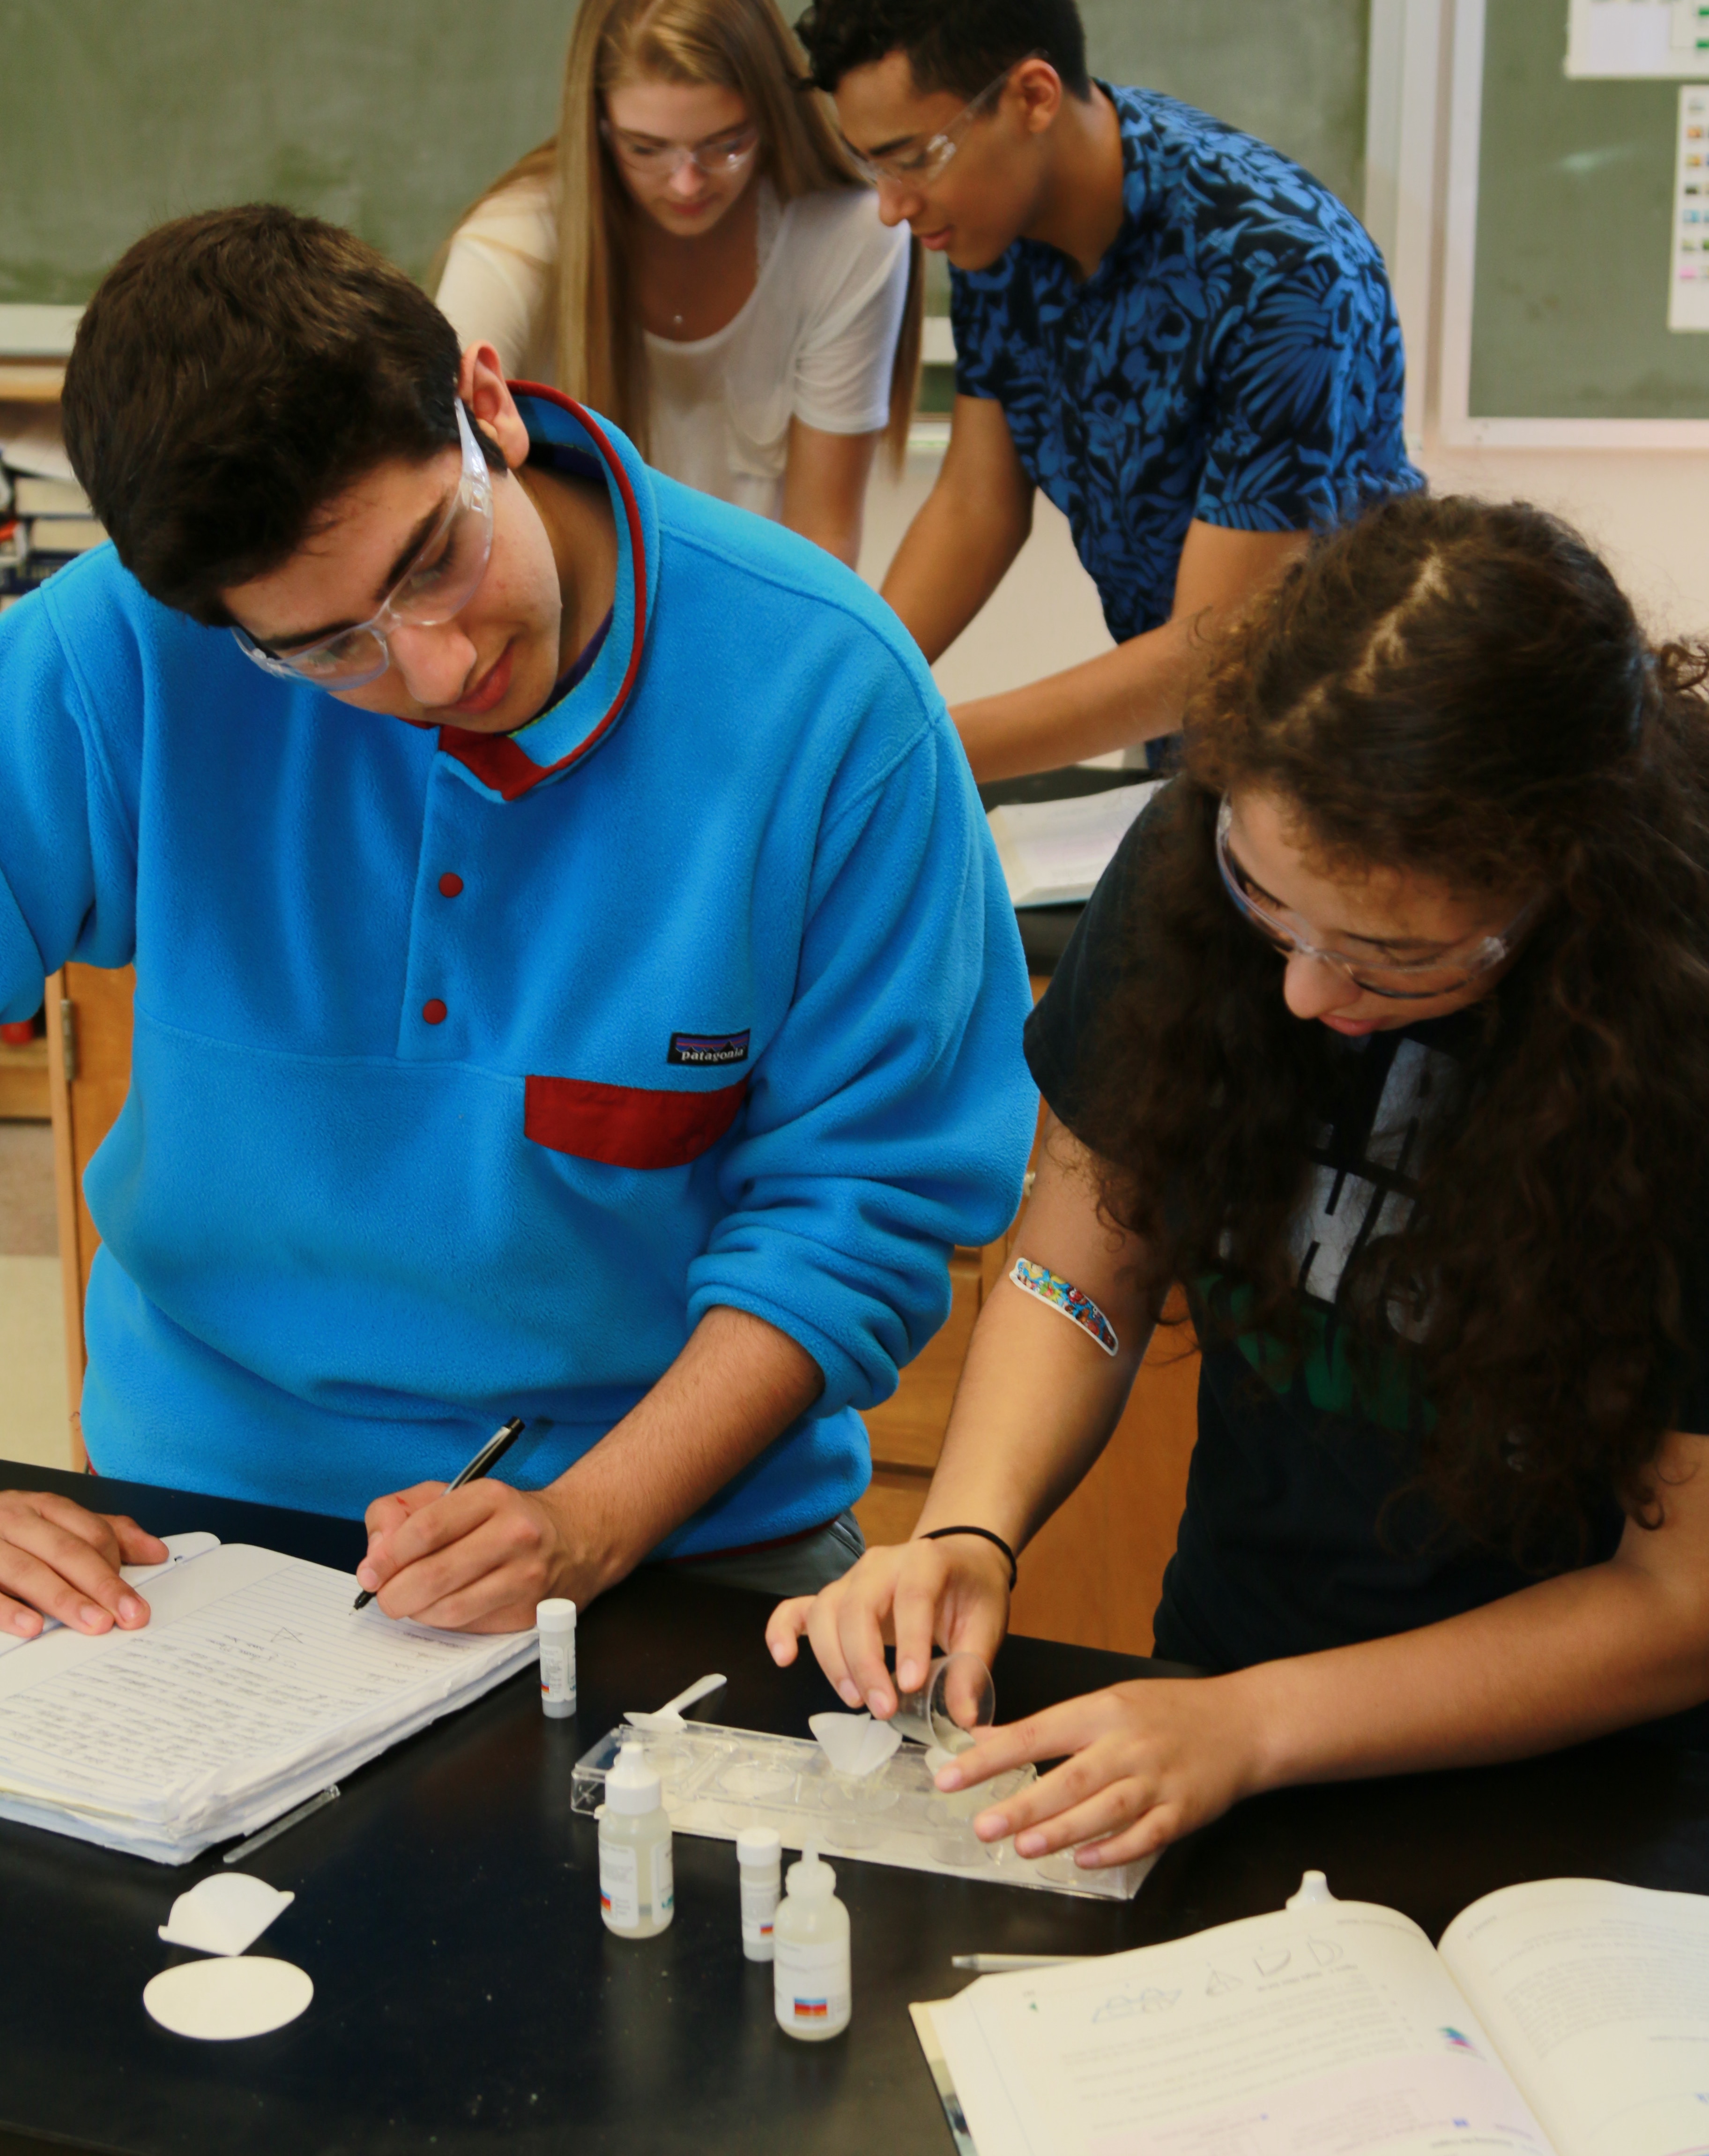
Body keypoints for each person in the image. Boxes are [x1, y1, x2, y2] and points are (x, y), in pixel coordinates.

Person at [0, 205, 1034, 1646]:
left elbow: (859, 1216)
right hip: (195, 1529)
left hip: (678, 1539)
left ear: (487, 404)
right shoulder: (127, 646)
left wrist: (588, 1525)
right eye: (325, 648)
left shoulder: (827, 700)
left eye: (434, 558)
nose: (432, 664)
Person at [768, 492, 1709, 1871]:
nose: (1303, 987)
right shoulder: (1190, 872)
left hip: (1579, 1799)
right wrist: (971, 1527)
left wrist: (1257, 1724)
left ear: (1561, 875)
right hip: (1215, 1696)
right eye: (1269, 906)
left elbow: (1680, 1598)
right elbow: (1076, 1266)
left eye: (1390, 958)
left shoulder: (1676, 1022)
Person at [794, 0, 1423, 779]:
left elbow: (1213, 646)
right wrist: (837, 698)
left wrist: (899, 751)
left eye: (912, 158)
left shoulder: (1281, 274)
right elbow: (975, 507)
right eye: (872, 166)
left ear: (1031, 97)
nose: (890, 205)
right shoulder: (996, 228)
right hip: (1191, 752)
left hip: (1359, 762)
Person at [435, 0, 920, 569]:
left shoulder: (851, 233)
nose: (687, 183)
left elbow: (822, 544)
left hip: (753, 616)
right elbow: (442, 480)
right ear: (599, 126)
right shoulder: (510, 242)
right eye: (646, 149)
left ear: (771, 115)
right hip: (570, 628)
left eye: (726, 143)